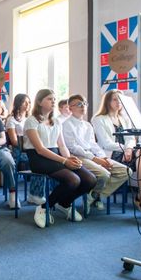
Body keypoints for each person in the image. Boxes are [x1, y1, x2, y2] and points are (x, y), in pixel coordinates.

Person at [24, 89, 96, 228]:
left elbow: (62, 145)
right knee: (73, 180)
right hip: (39, 159)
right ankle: (44, 207)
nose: (53, 101)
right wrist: (64, 161)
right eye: (49, 99)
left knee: (90, 179)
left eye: (54, 99)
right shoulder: (31, 121)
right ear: (39, 102)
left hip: (56, 156)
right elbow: (40, 149)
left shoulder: (56, 121)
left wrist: (70, 159)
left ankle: (64, 203)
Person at [92, 90, 141, 218]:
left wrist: (128, 149)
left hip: (127, 153)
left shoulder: (124, 118)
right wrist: (126, 149)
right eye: (115, 99)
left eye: (120, 99)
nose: (118, 102)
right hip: (111, 155)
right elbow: (106, 143)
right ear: (107, 102)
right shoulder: (98, 119)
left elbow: (131, 139)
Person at [62, 94, 129, 213]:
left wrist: (103, 157)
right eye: (79, 104)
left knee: (126, 171)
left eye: (84, 104)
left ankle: (94, 195)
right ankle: (93, 195)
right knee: (104, 174)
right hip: (76, 157)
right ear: (70, 107)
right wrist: (95, 159)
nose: (83, 106)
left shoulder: (87, 125)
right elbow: (73, 147)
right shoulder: (66, 124)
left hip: (91, 155)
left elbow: (93, 144)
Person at [5, 93, 45, 205]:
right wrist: (30, 144)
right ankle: (14, 193)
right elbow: (14, 141)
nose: (28, 104)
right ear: (18, 103)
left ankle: (35, 193)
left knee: (42, 161)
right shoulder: (11, 120)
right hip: (18, 150)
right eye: (25, 102)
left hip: (30, 148)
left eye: (29, 102)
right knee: (15, 161)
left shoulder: (30, 119)